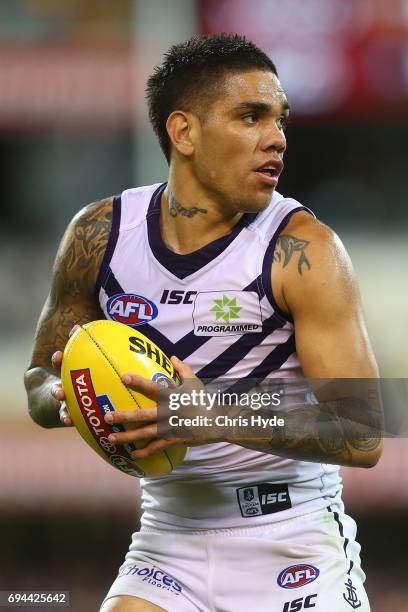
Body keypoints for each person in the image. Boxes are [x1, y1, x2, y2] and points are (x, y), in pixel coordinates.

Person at [25, 33, 383, 612]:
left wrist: (206, 412)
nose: (277, 139)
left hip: (293, 544)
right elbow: (39, 378)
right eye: (250, 116)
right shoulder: (100, 236)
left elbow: (365, 430)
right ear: (184, 132)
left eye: (280, 120)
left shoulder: (304, 248)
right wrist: (72, 396)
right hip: (168, 542)